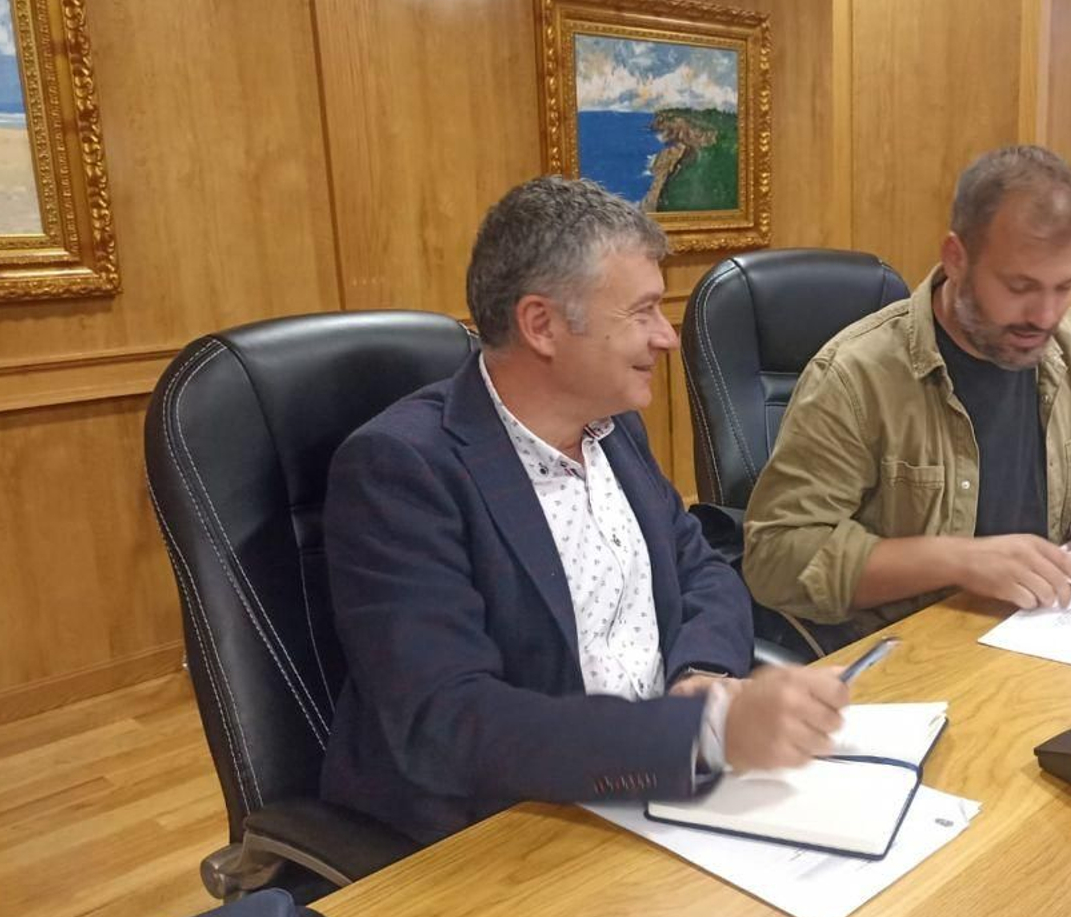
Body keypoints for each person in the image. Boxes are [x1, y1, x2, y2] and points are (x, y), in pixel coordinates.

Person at [321, 176, 849, 845]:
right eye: (643, 311)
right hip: (513, 833)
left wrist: (702, 677)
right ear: (541, 324)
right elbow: (448, 720)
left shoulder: (612, 425)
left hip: (667, 798)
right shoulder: (401, 469)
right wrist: (700, 734)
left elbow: (701, 566)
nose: (666, 336)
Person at [743, 146, 1071, 642]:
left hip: (1044, 629)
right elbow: (777, 557)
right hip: (916, 655)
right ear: (957, 258)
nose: (1045, 314)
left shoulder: (1066, 339)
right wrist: (957, 560)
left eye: (1066, 286)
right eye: (1020, 286)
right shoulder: (856, 376)